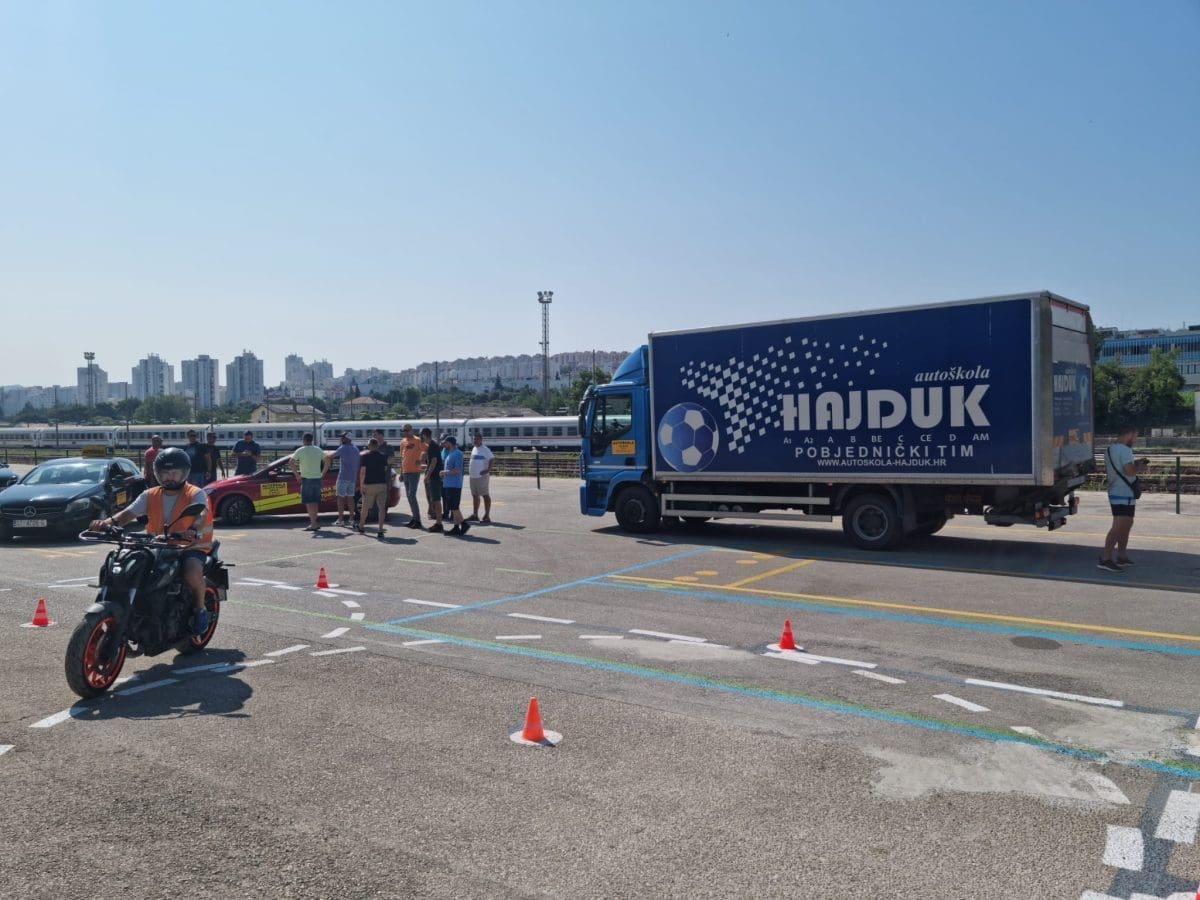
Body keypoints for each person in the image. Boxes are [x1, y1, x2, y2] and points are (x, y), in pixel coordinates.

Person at [90, 447, 213, 635]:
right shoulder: (150, 494)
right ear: (157, 473)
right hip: (156, 545)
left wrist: (192, 530)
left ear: (184, 473)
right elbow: (128, 514)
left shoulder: (195, 493)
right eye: (165, 473)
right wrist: (106, 523)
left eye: (174, 473)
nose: (169, 477)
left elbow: (201, 515)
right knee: (127, 565)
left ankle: (200, 609)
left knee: (191, 573)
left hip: (190, 546)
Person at [1099, 425, 1149, 573]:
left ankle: (1121, 556)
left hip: (1119, 492)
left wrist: (1135, 463)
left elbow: (1121, 467)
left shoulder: (1110, 449)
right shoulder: (1125, 450)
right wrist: (1139, 467)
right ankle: (1105, 559)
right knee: (1119, 526)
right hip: (1122, 493)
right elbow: (1129, 471)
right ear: (1129, 435)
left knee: (1126, 524)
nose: (1135, 440)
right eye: (1135, 437)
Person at [291, 432, 328, 531]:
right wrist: (323, 473)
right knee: (315, 502)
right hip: (317, 479)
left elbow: (291, 462)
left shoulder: (300, 450)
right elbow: (328, 460)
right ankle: (314, 523)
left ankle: (313, 524)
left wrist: (297, 475)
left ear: (304, 440)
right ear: (311, 440)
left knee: (309, 503)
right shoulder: (318, 449)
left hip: (306, 479)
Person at [357, 437, 389, 537]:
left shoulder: (365, 456)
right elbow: (385, 469)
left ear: (370, 446)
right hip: (381, 484)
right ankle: (380, 529)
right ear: (377, 446)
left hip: (369, 484)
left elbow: (363, 472)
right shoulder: (383, 456)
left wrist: (361, 485)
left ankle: (361, 526)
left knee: (365, 508)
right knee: (381, 508)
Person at [439, 434, 470, 537]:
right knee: (453, 507)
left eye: (445, 442)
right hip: (448, 484)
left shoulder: (457, 454)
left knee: (454, 506)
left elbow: (458, 470)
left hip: (454, 485)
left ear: (450, 443)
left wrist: (445, 472)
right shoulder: (450, 453)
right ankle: (456, 527)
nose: (444, 444)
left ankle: (464, 524)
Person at [330, 432, 361, 527]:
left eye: (342, 438)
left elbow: (331, 456)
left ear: (346, 439)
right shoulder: (356, 449)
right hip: (352, 478)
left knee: (340, 499)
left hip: (343, 477)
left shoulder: (343, 448)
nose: (341, 439)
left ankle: (340, 520)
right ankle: (351, 519)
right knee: (350, 498)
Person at [398, 423, 425, 529]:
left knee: (412, 495)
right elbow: (402, 458)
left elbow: (426, 450)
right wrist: (401, 472)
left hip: (414, 472)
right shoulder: (402, 442)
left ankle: (418, 520)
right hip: (405, 472)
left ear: (411, 430)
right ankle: (414, 519)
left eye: (406, 430)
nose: (405, 432)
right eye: (403, 431)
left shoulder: (417, 440)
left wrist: (421, 460)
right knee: (409, 497)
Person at [466, 431, 494, 523]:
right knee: (475, 495)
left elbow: (492, 459)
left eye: (477, 439)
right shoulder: (474, 448)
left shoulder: (485, 449)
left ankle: (487, 515)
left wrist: (488, 470)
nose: (475, 440)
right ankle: (475, 515)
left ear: (481, 439)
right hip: (473, 476)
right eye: (474, 439)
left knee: (485, 495)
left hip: (481, 477)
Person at [421, 427, 444, 533]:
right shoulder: (431, 445)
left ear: (424, 435)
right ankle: (438, 522)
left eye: (421, 436)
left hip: (434, 477)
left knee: (436, 500)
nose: (421, 438)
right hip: (434, 476)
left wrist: (427, 475)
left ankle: (439, 523)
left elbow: (433, 461)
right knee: (435, 499)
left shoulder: (432, 446)